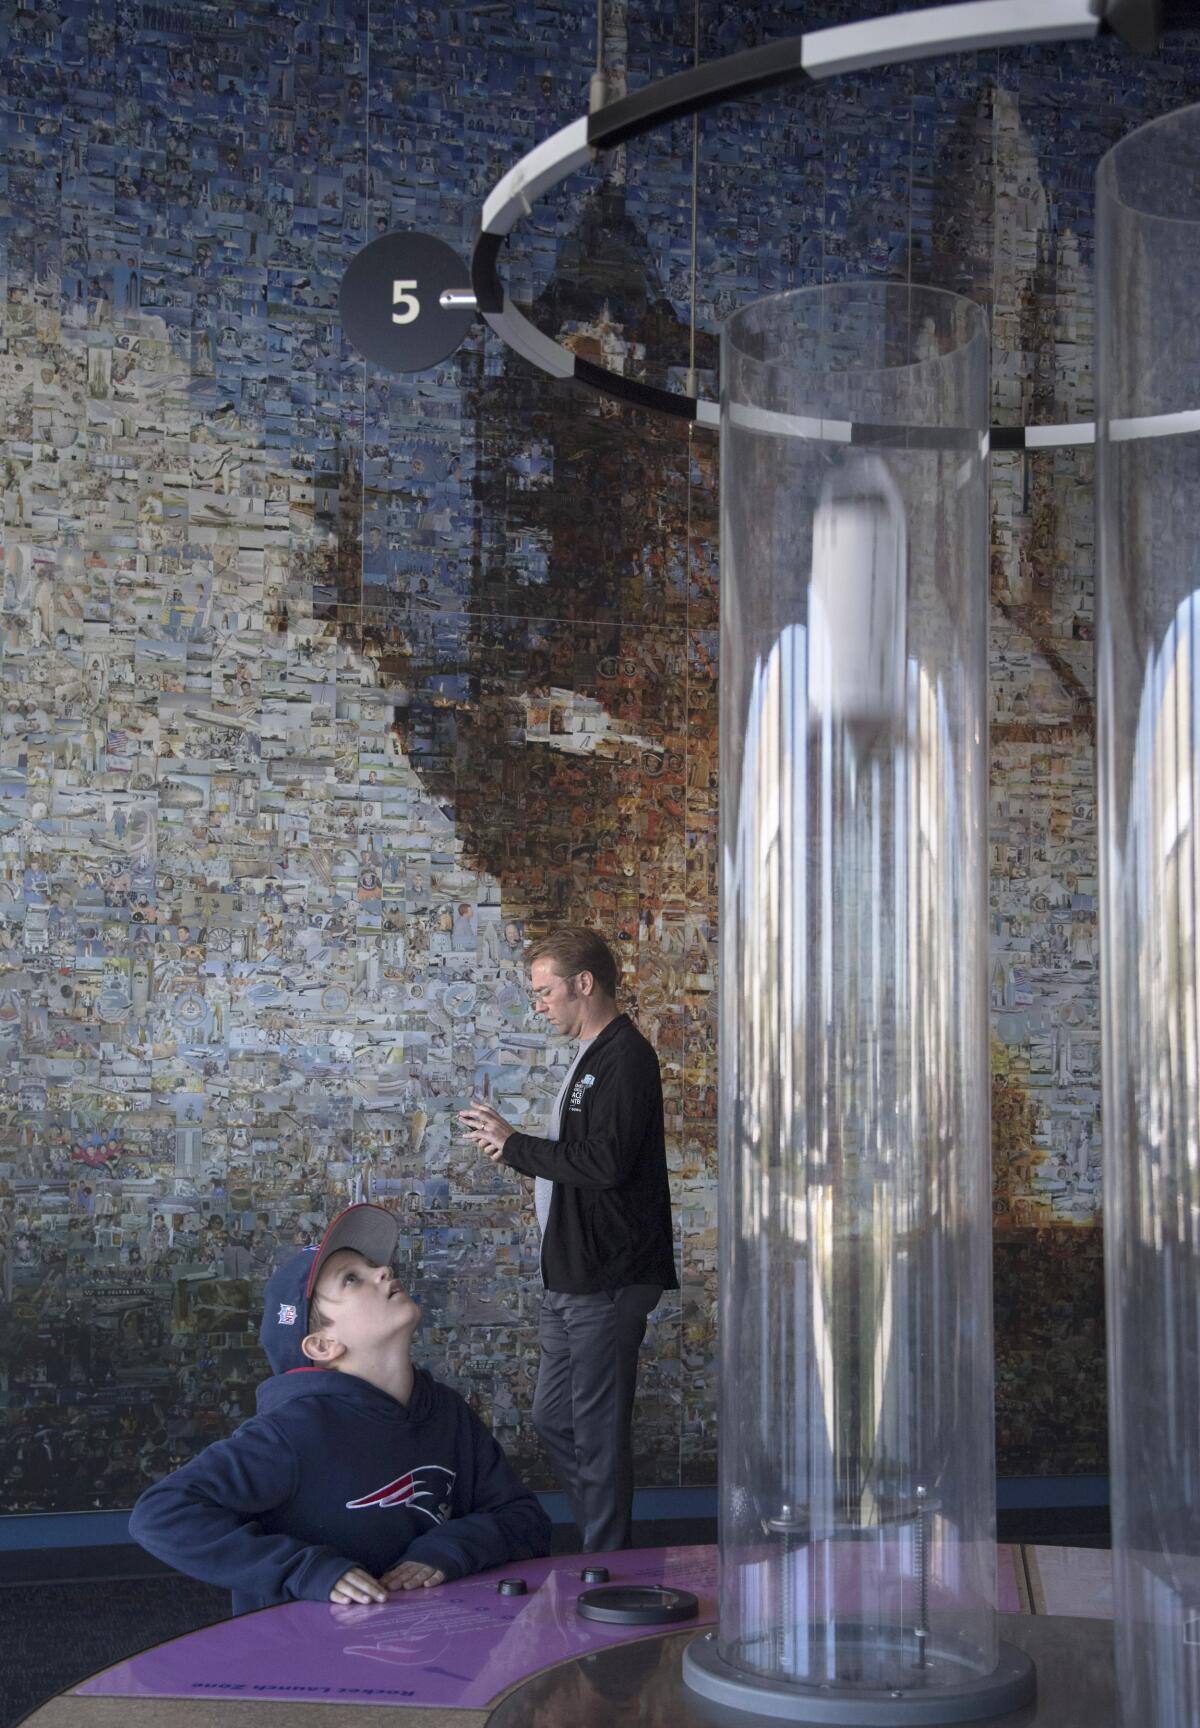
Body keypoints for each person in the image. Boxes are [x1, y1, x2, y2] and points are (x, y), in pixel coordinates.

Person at [129, 1204, 551, 1613]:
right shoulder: (292, 1432)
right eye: (352, 1279)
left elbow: (524, 1517)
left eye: (373, 1266)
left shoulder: (447, 1412)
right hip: (305, 1664)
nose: (383, 1271)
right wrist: (305, 1569)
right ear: (323, 1346)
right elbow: (160, 1513)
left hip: (428, 1642)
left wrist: (450, 1549)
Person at [459, 926, 678, 1552]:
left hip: (608, 1279)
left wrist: (514, 1145)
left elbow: (605, 1163)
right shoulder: (590, 1057)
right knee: (555, 1419)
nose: (539, 1003)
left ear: (584, 984)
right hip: (570, 1276)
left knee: (598, 1432)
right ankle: (602, 1549)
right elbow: (584, 1157)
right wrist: (517, 1148)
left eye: (544, 990)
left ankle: (607, 1568)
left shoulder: (626, 1056)